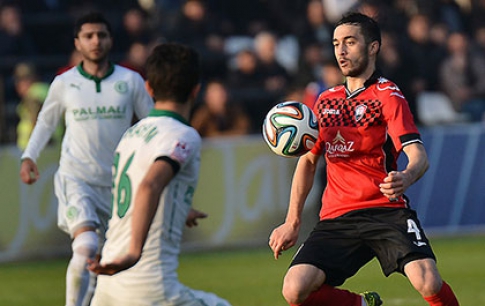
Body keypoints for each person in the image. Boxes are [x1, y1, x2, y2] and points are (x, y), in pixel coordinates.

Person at [268, 12, 460, 306]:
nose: (341, 51)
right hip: (337, 216)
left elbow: (418, 155)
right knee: (294, 289)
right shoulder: (325, 100)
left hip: (385, 210)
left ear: (373, 47)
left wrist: (406, 176)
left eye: (350, 42)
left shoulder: (388, 95)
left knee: (427, 280)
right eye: (336, 43)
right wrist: (292, 222)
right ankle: (362, 304)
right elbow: (307, 162)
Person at [19, 12, 154, 306]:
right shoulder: (64, 82)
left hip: (119, 184)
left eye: (101, 35)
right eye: (89, 36)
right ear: (77, 42)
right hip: (76, 178)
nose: (96, 41)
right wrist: (29, 156)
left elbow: (152, 125)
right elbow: (45, 121)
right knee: (86, 245)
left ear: (110, 40)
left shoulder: (130, 80)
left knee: (108, 264)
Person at [87, 42, 232, 306]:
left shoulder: (132, 134)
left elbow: (134, 191)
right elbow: (149, 186)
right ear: (196, 90)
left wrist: (178, 209)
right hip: (147, 284)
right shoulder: (183, 135)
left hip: (108, 283)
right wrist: (134, 253)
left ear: (149, 88)